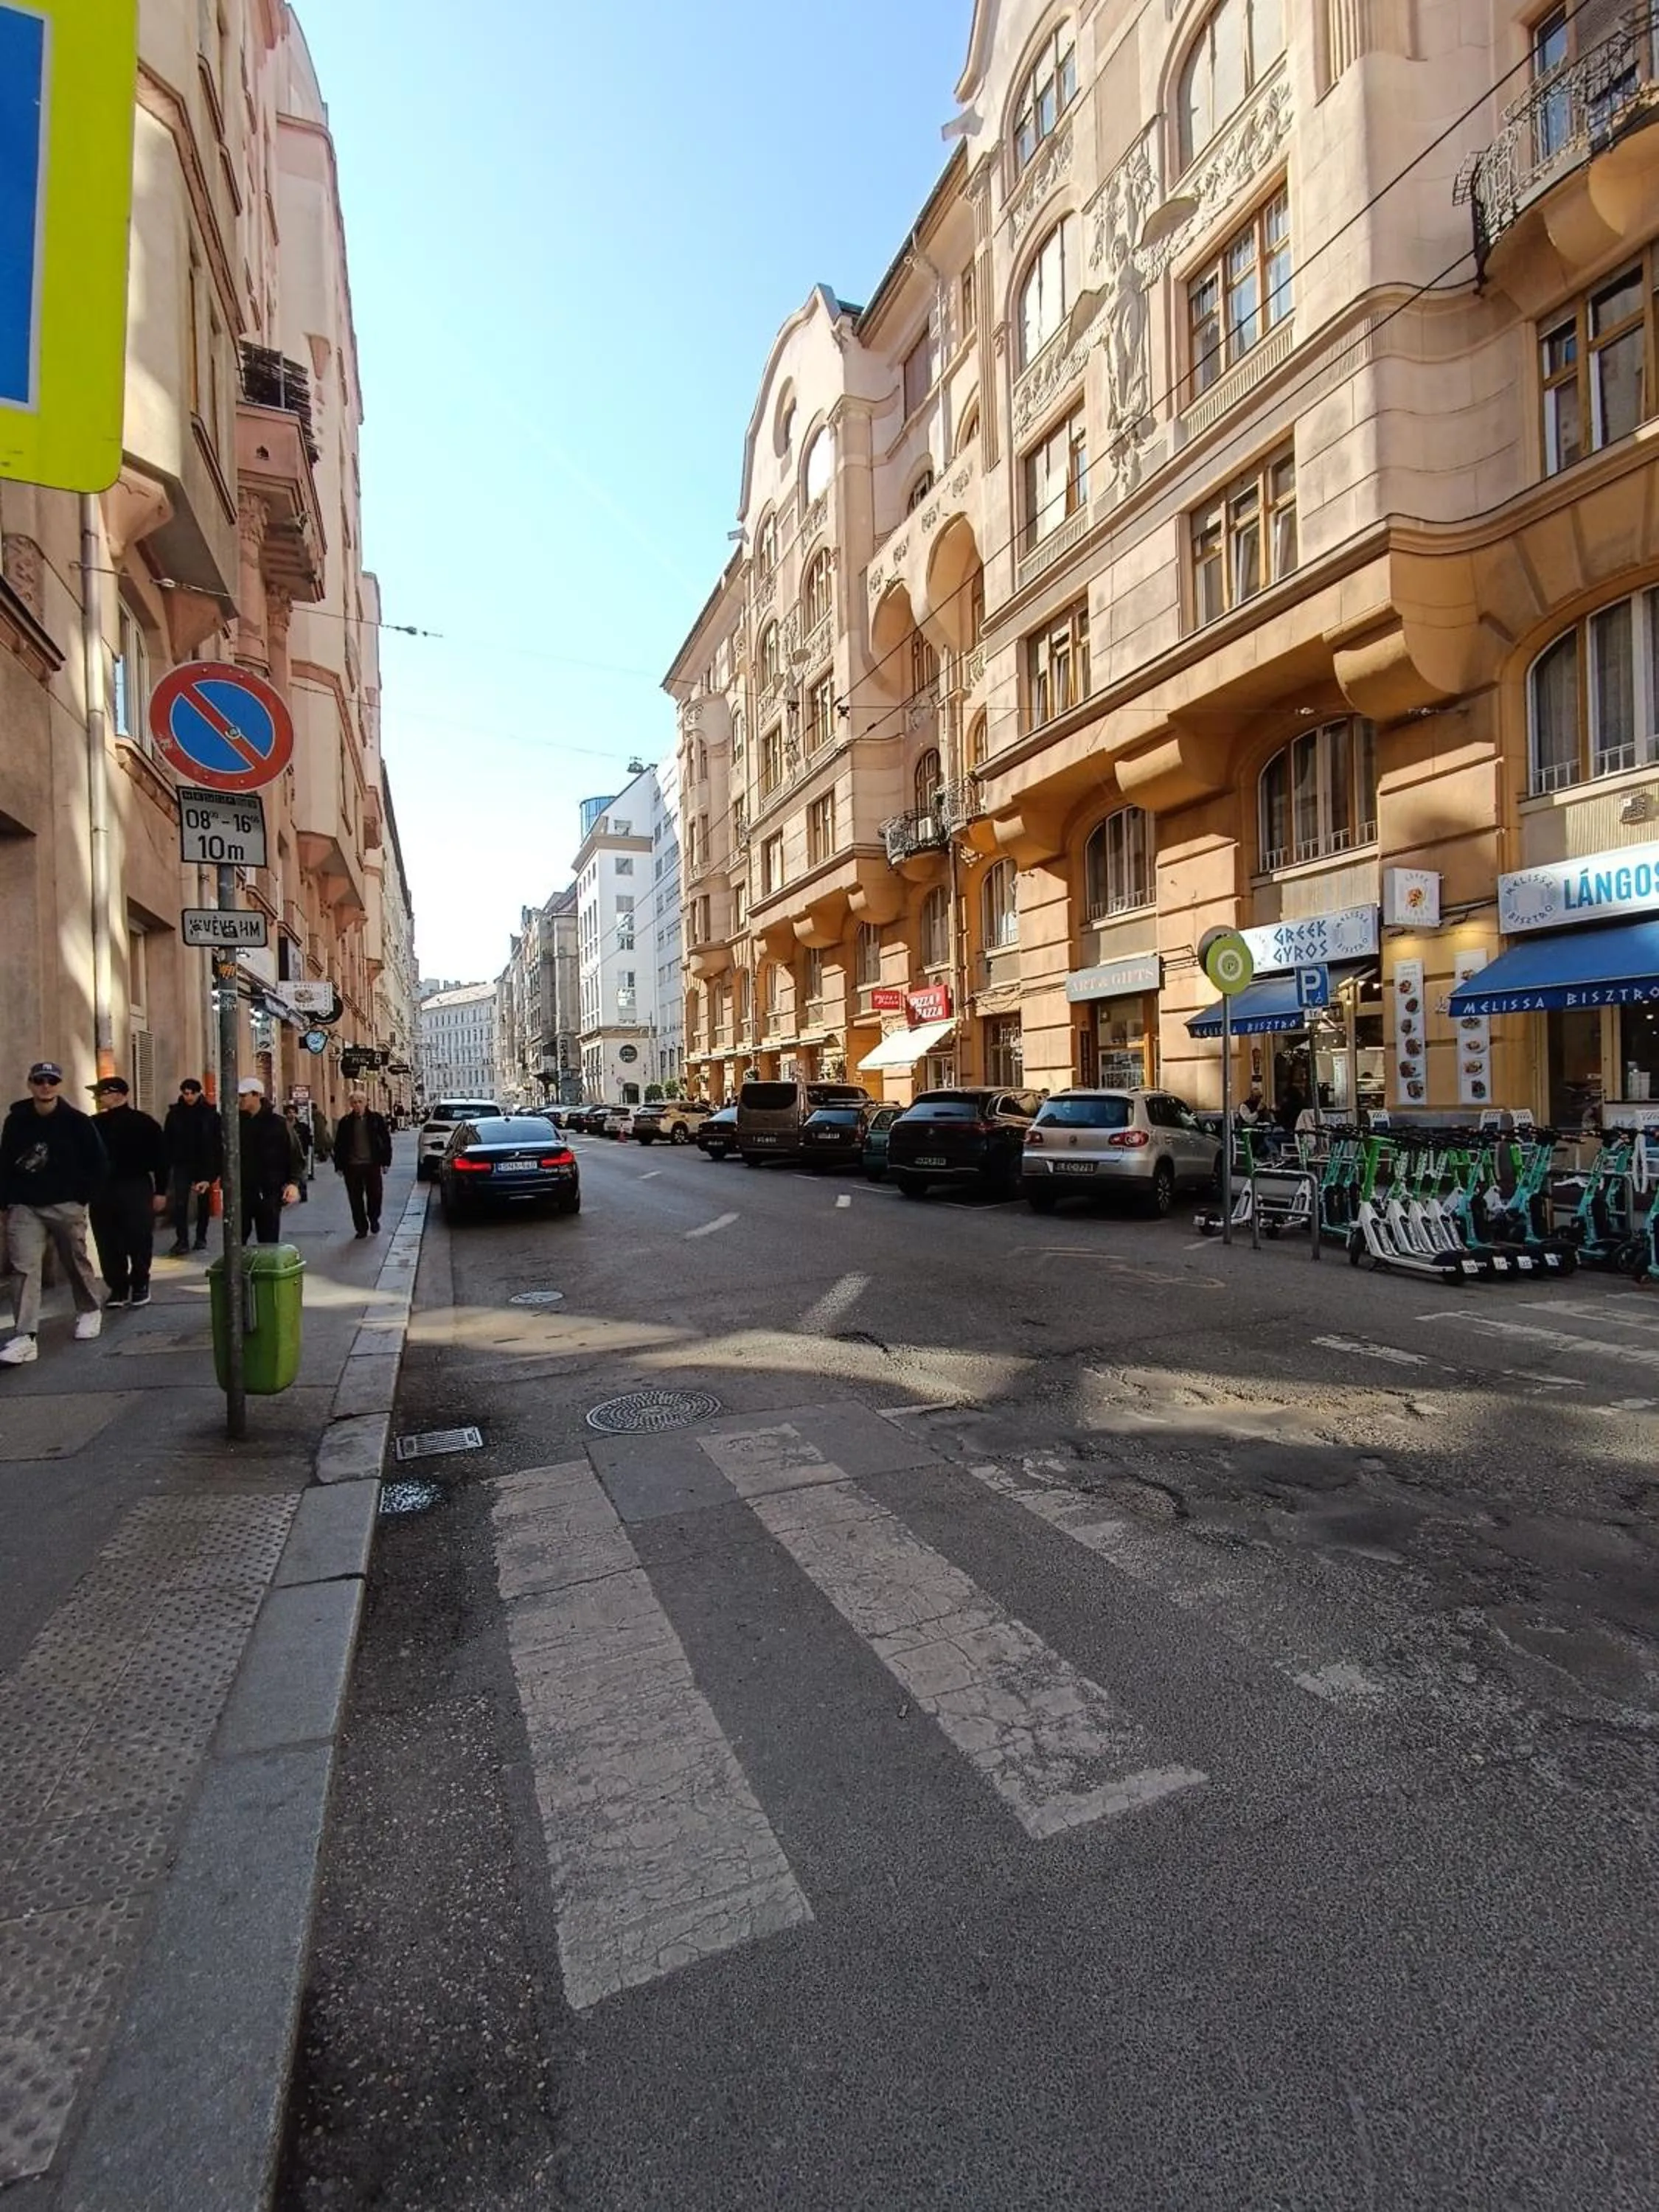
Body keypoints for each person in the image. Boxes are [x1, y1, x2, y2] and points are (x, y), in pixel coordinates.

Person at [0, 1062, 107, 1365]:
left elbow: (98, 1161)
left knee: (74, 1259)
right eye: (39, 1080)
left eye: (51, 1081)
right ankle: (25, 1336)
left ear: (59, 1085)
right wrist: (6, 1202)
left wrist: (82, 1198)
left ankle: (89, 1309)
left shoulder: (77, 1122)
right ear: (30, 1084)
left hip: (65, 1203)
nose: (46, 1086)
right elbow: (5, 1161)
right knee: (23, 1267)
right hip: (25, 1205)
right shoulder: (16, 1121)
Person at [87, 1077, 169, 1308]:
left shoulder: (144, 1124)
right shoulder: (93, 1124)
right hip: (102, 1189)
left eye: (101, 1093)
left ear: (118, 1094)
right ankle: (118, 1287)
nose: (97, 1098)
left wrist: (161, 1191)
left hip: (135, 1186)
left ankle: (140, 1283)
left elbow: (162, 1159)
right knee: (107, 1239)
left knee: (138, 1236)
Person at [236, 1079, 300, 1245]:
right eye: (239, 1096)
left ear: (257, 1096)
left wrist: (293, 1183)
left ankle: (266, 1270)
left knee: (268, 1239)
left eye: (244, 1096)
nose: (240, 1100)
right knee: (236, 1239)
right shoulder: (234, 1123)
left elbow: (294, 1154)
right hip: (240, 1189)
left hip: (269, 1190)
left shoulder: (278, 1124)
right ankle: (238, 1270)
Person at [164, 1077, 222, 1255]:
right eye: (185, 1093)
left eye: (192, 1093)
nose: (188, 1097)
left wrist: (214, 1171)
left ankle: (201, 1237)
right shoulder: (174, 1114)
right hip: (182, 1163)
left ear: (199, 1093)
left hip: (203, 1164)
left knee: (203, 1203)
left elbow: (217, 1143)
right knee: (180, 1202)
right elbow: (167, 1139)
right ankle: (182, 1239)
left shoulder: (210, 1114)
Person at [333, 1088, 392, 1238]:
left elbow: (386, 1141)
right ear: (350, 1105)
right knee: (355, 1198)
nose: (357, 1105)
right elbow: (339, 1145)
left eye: (360, 1102)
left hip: (372, 1164)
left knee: (375, 1195)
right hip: (352, 1166)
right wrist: (339, 1165)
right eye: (354, 1103)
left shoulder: (376, 1119)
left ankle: (374, 1218)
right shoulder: (345, 1122)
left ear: (366, 1103)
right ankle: (361, 1228)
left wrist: (386, 1162)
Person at [285, 1103, 313, 1202]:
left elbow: (309, 1139)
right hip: (287, 1155)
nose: (291, 1115)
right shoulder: (283, 1127)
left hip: (301, 1154)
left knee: (302, 1176)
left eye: (293, 1112)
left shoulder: (302, 1127)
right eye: (289, 1113)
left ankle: (303, 1192)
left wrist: (306, 1149)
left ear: (296, 1114)